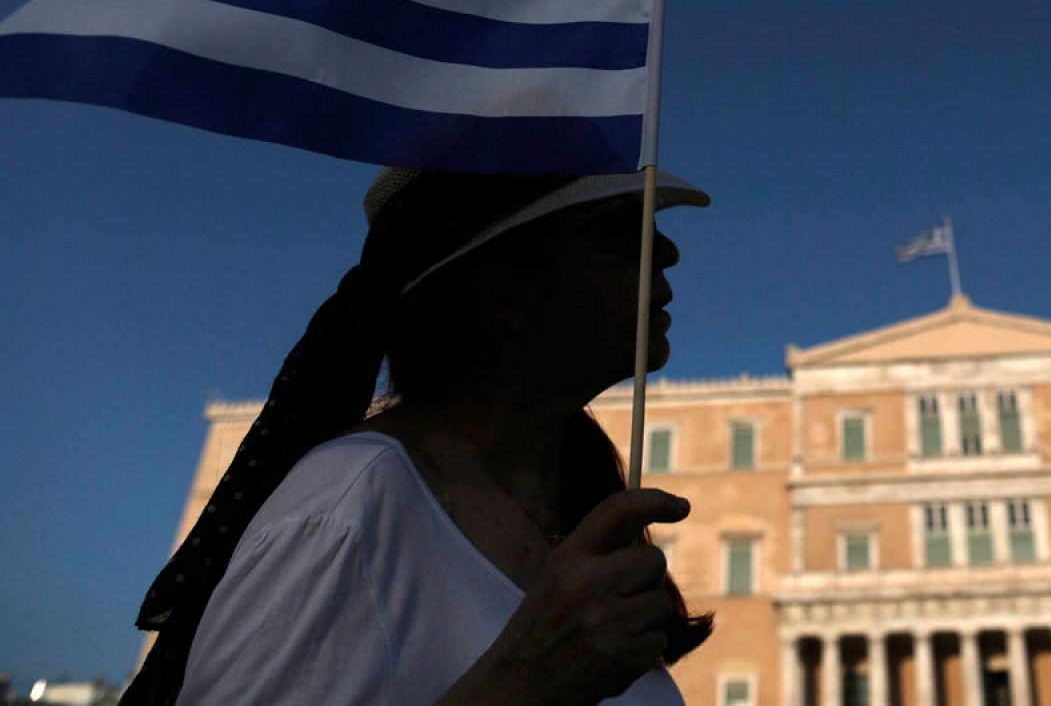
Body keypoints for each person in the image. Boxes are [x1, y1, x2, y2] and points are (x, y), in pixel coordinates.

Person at [123, 169, 714, 705]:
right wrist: (526, 682)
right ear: (503, 292)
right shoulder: (348, 506)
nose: (667, 250)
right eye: (617, 230)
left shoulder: (574, 519)